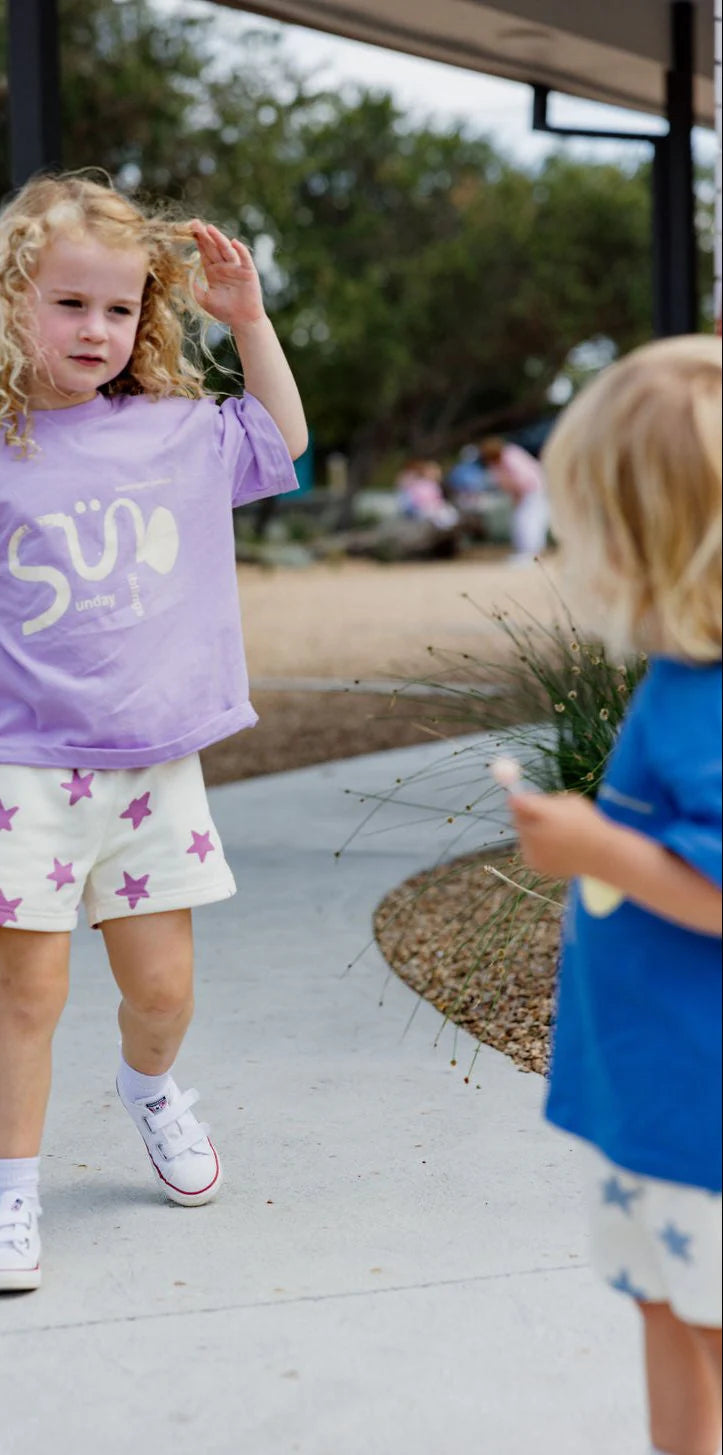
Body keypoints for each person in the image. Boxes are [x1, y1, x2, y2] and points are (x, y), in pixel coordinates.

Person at [0, 173, 307, 1294]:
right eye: (70, 304)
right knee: (31, 995)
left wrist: (245, 320)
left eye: (118, 309)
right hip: (24, 774)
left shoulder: (177, 433)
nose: (96, 329)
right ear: (14, 303)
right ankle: (9, 1205)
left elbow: (281, 435)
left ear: (143, 319)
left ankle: (150, 1090)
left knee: (161, 996)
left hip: (155, 770)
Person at [506, 336, 722, 1455]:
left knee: (704, 1316)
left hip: (706, 1113)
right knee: (662, 1300)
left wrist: (594, 846)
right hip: (665, 1102)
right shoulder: (684, 674)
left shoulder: (709, 700)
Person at [479, 434, 549, 564]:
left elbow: (525, 479)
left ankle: (532, 554)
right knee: (521, 521)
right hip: (526, 494)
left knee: (530, 522)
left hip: (534, 491)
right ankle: (526, 553)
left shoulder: (511, 457)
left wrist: (519, 495)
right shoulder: (498, 463)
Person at [393, 458, 459, 530]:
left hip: (432, 507)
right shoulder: (419, 484)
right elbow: (415, 500)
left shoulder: (432, 485)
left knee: (448, 512)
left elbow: (437, 498)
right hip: (422, 509)